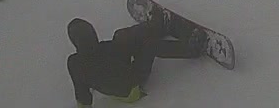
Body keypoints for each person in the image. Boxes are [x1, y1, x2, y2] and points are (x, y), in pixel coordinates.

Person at [67, 12, 209, 106]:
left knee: (121, 35)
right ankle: (193, 49)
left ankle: (157, 26)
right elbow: (121, 54)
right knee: (150, 46)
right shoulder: (103, 52)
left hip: (121, 70)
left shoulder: (74, 63)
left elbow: (82, 96)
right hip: (131, 87)